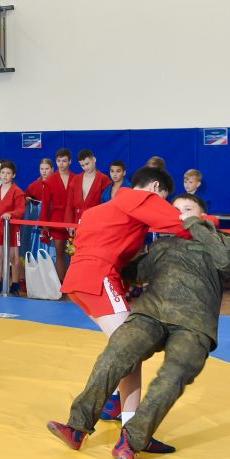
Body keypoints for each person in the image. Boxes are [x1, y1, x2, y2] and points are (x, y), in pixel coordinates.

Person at [47, 194, 230, 459]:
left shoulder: (222, 242)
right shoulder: (163, 245)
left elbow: (226, 259)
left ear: (202, 215)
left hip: (194, 323)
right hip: (151, 314)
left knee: (171, 377)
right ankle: (77, 427)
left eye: (188, 209)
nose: (180, 214)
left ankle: (132, 439)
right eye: (176, 210)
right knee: (116, 353)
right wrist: (105, 249)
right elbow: (132, 272)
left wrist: (194, 224)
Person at [60, 165, 192, 427]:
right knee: (131, 349)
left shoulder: (102, 208)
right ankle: (130, 428)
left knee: (123, 347)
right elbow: (182, 226)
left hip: (78, 280)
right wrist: (210, 223)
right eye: (163, 198)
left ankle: (114, 403)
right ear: (155, 188)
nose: (161, 204)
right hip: (99, 278)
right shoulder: (140, 198)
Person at [0, 160, 26, 296]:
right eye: (3, 172)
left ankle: (15, 284)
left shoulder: (17, 192)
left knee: (13, 257)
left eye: (8, 173)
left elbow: (21, 210)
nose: (5, 176)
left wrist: (11, 214)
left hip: (12, 227)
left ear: (13, 175)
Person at [44, 149, 73, 281]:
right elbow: (45, 204)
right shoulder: (50, 180)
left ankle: (73, 282)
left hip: (73, 220)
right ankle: (62, 283)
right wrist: (44, 225)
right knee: (59, 252)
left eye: (64, 161)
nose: (61, 164)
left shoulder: (77, 179)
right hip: (56, 219)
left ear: (70, 161)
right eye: (58, 161)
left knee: (75, 254)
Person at [65, 149, 112, 227]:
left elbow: (107, 205)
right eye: (82, 165)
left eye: (87, 164)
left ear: (94, 159)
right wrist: (69, 223)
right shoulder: (76, 179)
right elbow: (69, 204)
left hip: (96, 221)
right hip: (78, 220)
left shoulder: (104, 179)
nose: (85, 167)